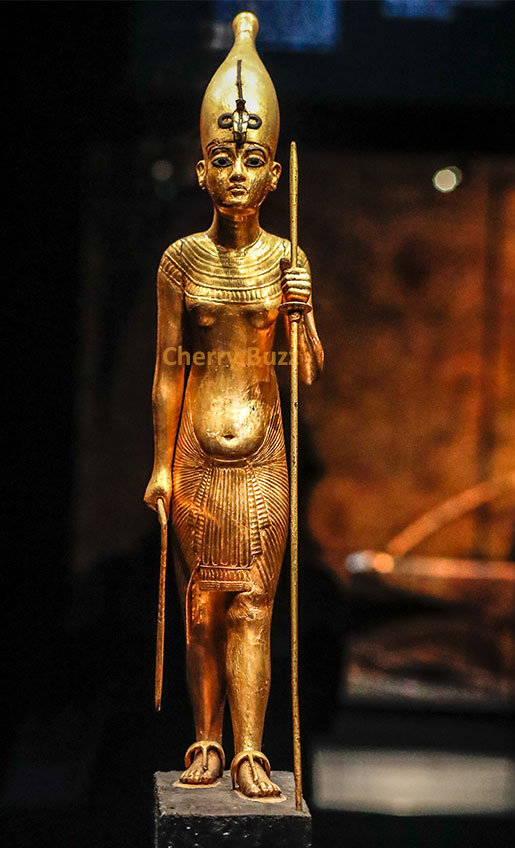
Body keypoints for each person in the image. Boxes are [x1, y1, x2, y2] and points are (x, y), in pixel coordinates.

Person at [144, 11, 324, 800]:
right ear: (201, 172)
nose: (239, 174)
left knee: (252, 605)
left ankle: (250, 749)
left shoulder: (287, 259)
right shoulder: (180, 262)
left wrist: (302, 313)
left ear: (274, 175)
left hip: (261, 455)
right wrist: (158, 465)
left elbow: (305, 369)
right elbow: (165, 371)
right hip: (194, 454)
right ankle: (207, 740)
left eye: (253, 160)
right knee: (200, 608)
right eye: (224, 160)